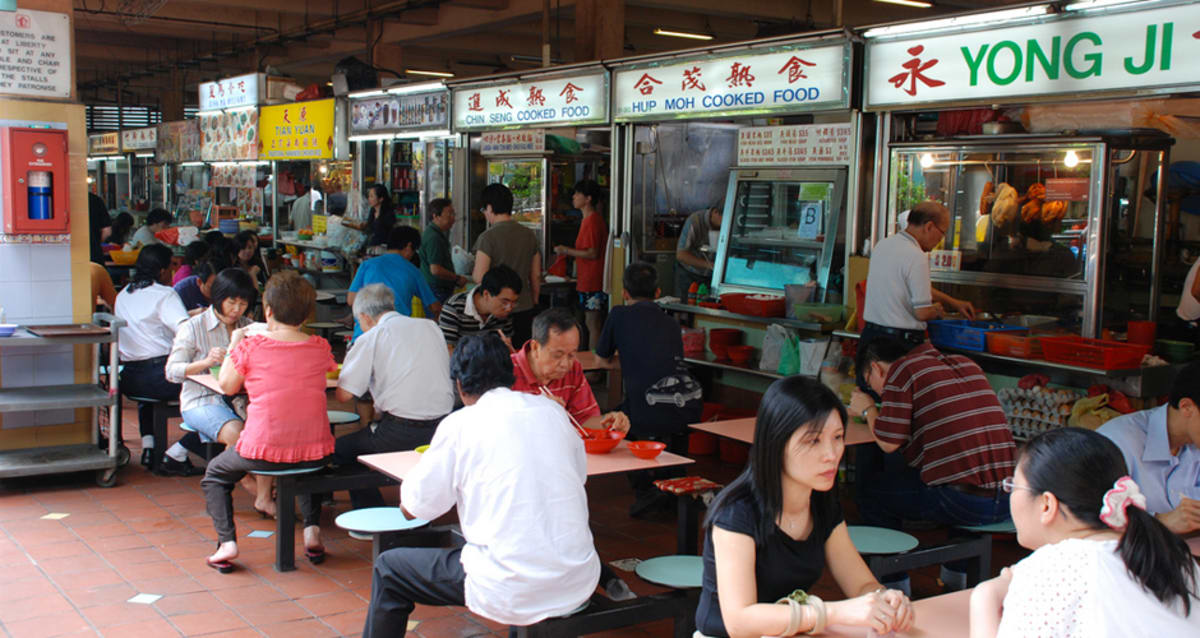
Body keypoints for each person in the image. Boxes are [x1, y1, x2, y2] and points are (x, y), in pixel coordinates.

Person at [362, 333, 600, 637]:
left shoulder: (460, 424)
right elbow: (577, 476)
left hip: (508, 584)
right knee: (513, 546)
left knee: (389, 569)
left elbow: (415, 509)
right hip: (577, 578)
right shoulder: (553, 412)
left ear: (459, 385)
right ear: (511, 374)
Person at [696, 376, 914, 637]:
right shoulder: (736, 513)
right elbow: (740, 621)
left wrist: (884, 599)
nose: (832, 454)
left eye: (837, 437)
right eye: (813, 441)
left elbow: (861, 583)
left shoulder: (822, 504)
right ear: (777, 443)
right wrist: (835, 612)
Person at [969, 428, 1200, 637]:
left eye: (1013, 486)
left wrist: (985, 596)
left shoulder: (1049, 572)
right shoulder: (1174, 557)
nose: (1009, 494)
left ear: (1047, 504)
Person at [202, 271, 336, 572]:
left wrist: (237, 341)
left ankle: (227, 543)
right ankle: (312, 531)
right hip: (316, 449)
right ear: (306, 313)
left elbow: (226, 385)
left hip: (261, 449)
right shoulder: (320, 347)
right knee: (304, 468)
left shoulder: (251, 347)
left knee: (214, 474)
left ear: (268, 311)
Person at [850, 337, 1016, 523]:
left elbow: (888, 444)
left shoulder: (901, 370)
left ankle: (893, 553)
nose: (878, 391)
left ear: (875, 368)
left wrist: (868, 409)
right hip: (1009, 499)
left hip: (964, 502)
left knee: (869, 492)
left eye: (869, 382)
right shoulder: (966, 363)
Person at [332, 284, 454, 510]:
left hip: (401, 432)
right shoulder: (431, 327)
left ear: (364, 317)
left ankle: (370, 509)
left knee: (341, 450)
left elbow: (343, 395)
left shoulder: (373, 337)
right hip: (442, 429)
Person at [165, 268, 274, 515]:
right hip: (201, 399)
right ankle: (249, 483)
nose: (237, 309)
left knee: (266, 430)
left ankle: (262, 494)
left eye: (243, 303)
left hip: (240, 400)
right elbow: (172, 371)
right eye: (231, 302)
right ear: (218, 298)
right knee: (239, 434)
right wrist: (204, 362)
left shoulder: (249, 327)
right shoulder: (193, 327)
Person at [596, 261, 701, 515]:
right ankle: (672, 486)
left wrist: (630, 359)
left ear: (624, 293)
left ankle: (647, 490)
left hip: (647, 409)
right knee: (664, 427)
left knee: (619, 419)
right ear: (657, 293)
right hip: (688, 405)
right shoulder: (671, 322)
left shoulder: (618, 315)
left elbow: (601, 360)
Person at [858, 201, 976, 393]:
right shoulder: (916, 256)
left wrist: (954, 302)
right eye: (943, 232)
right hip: (897, 347)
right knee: (898, 410)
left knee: (869, 404)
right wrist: (937, 310)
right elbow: (922, 313)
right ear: (929, 226)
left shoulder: (883, 245)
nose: (942, 238)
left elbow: (908, 287)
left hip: (870, 339)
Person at [114, 244, 201, 476]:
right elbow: (186, 331)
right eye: (171, 266)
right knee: (213, 391)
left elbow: (148, 329)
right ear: (162, 270)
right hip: (160, 378)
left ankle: (149, 447)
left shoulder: (123, 295)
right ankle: (180, 451)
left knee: (149, 392)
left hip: (130, 378)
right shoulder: (165, 294)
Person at [1098, 361, 1200, 534]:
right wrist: (1160, 522)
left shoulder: (1194, 442)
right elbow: (1084, 521)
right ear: (1186, 407)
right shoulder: (1116, 442)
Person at [510, 307, 630, 434]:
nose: (565, 364)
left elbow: (582, 419)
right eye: (557, 355)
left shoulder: (573, 369)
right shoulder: (504, 369)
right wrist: (537, 409)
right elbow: (492, 423)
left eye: (571, 355)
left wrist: (608, 421)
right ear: (535, 347)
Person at [472, 183, 541, 346]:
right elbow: (536, 274)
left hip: (497, 310)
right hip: (524, 306)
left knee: (498, 359)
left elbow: (480, 276)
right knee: (521, 358)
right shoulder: (529, 235)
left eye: (484, 210)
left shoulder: (487, 237)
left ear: (489, 208)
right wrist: (534, 301)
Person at [346, 225, 440, 341]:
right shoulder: (413, 271)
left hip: (363, 336)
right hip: (397, 338)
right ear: (408, 247)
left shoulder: (367, 265)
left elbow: (351, 300)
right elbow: (434, 307)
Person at [553, 180, 609, 350]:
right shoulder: (587, 220)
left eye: (578, 194)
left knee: (593, 323)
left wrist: (566, 250)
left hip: (593, 280)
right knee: (587, 321)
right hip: (586, 279)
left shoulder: (592, 221)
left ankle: (594, 367)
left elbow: (592, 253)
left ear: (588, 198)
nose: (573, 197)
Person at [437, 264, 522, 352]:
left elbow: (507, 347)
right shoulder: (453, 308)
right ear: (486, 294)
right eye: (504, 302)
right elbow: (448, 350)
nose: (509, 308)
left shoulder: (504, 313)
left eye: (514, 302)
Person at [419, 198, 467, 303]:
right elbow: (436, 269)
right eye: (449, 214)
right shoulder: (434, 237)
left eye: (453, 214)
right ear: (435, 216)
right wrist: (456, 278)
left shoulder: (436, 233)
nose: (453, 219)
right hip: (437, 289)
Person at [674, 205, 721, 298]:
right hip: (689, 274)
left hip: (714, 278)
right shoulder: (695, 220)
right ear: (715, 212)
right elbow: (681, 254)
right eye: (725, 218)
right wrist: (710, 265)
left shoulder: (729, 225)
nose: (728, 222)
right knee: (684, 307)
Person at [344, 184, 395, 249]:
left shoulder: (388, 215)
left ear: (381, 199)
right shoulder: (372, 211)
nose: (369, 199)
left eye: (371, 196)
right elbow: (369, 229)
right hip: (371, 247)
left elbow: (384, 234)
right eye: (369, 196)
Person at [89, 191, 112, 265]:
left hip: (69, 255)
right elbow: (107, 231)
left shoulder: (62, 200)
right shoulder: (96, 200)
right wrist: (95, 241)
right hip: (94, 255)